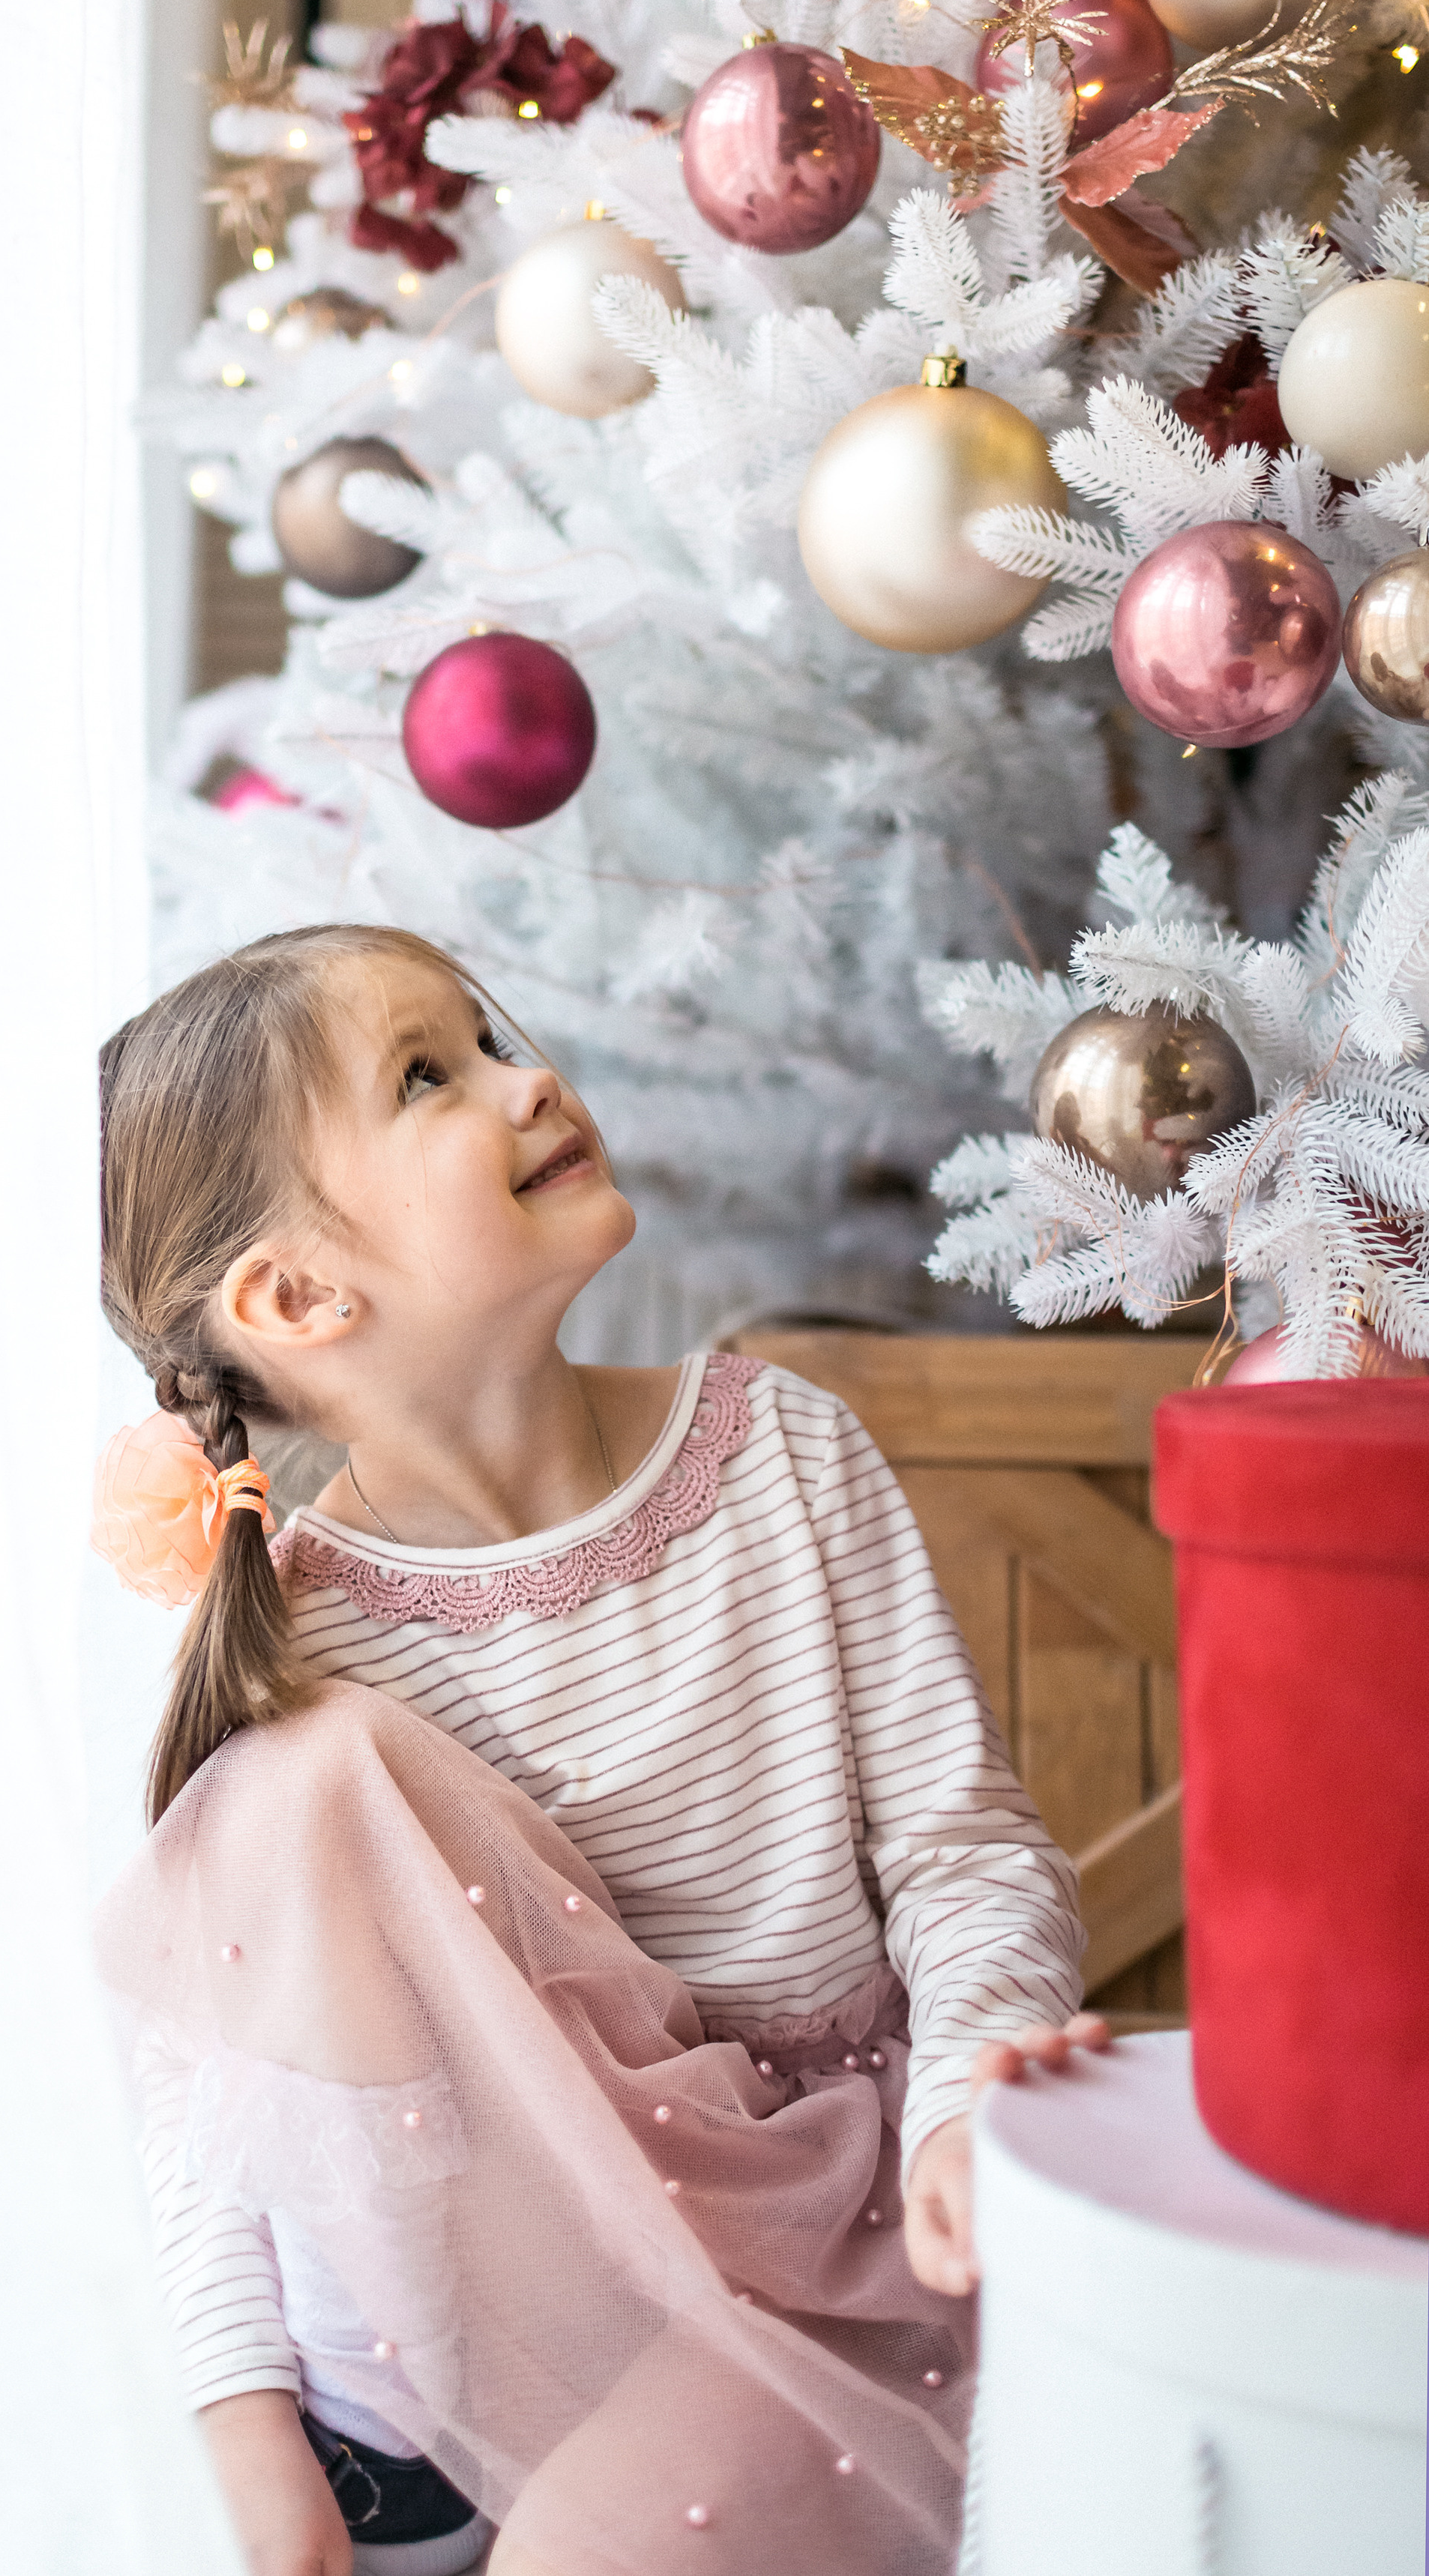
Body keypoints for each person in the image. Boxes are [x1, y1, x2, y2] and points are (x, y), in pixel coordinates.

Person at [90, 926, 1104, 2576]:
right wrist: (244, 2425)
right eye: (433, 1075)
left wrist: (962, 2104)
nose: (528, 1077)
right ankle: (385, 2462)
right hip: (531, 2268)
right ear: (298, 1295)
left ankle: (484, 2500)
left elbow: (961, 1847)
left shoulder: (777, 1449)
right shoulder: (303, 1628)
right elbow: (208, 2090)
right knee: (298, 1780)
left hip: (830, 2228)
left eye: (489, 1037)